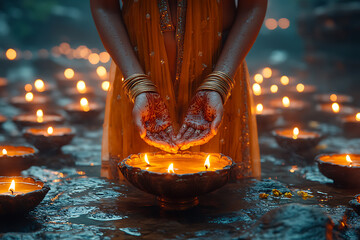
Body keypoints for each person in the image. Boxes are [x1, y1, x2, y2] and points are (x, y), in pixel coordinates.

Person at [90, 0, 267, 180]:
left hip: (221, 69)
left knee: (222, 198)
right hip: (135, 71)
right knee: (135, 196)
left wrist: (219, 83)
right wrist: (137, 84)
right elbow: (104, 7)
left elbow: (253, 6)